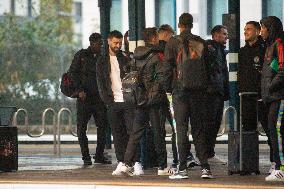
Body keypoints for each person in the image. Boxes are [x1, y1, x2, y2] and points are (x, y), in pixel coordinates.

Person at [161, 13, 213, 179]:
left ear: (179, 25)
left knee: (181, 129)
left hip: (180, 92)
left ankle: (182, 168)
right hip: (199, 92)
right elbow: (208, 67)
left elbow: (167, 68)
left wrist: (168, 88)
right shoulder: (200, 42)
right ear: (191, 24)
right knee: (199, 129)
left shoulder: (172, 42)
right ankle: (205, 168)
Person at [121, 27, 174, 176]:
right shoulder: (157, 56)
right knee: (158, 133)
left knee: (135, 133)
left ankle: (126, 164)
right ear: (154, 38)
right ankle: (162, 167)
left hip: (140, 100)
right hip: (155, 101)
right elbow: (162, 77)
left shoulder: (136, 55)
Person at [96, 30, 143, 176]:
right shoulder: (101, 61)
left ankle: (136, 163)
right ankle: (121, 162)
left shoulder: (125, 58)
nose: (118, 45)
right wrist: (108, 102)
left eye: (120, 43)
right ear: (109, 41)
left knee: (132, 133)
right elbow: (100, 84)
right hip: (113, 103)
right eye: (115, 43)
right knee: (117, 135)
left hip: (128, 101)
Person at [158, 24, 198, 168]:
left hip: (171, 93)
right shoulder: (192, 43)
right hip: (184, 91)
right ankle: (186, 158)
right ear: (164, 34)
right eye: (170, 34)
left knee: (176, 128)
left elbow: (166, 70)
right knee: (185, 128)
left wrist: (167, 88)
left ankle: (180, 161)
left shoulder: (168, 47)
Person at [238, 21, 275, 173]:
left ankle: (275, 163)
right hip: (246, 98)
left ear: (258, 31)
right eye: (245, 29)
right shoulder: (241, 51)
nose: (245, 32)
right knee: (248, 132)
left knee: (270, 130)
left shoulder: (266, 48)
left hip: (263, 98)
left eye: (249, 29)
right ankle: (249, 165)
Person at [69, 33, 111, 166]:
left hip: (99, 98)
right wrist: (79, 90)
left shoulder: (103, 58)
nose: (101, 46)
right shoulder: (81, 56)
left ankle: (99, 156)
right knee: (81, 128)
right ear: (92, 43)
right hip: (84, 98)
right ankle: (86, 156)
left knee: (102, 127)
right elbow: (72, 73)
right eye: (99, 43)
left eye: (102, 44)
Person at [259, 16, 284, 182]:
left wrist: (270, 86)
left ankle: (281, 168)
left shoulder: (279, 44)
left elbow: (282, 69)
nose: (261, 31)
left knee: (276, 129)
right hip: (272, 96)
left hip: (279, 95)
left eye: (263, 28)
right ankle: (278, 165)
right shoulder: (269, 46)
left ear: (270, 28)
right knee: (272, 130)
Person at [205, 25, 229, 165]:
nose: (226, 37)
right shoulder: (210, 48)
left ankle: (209, 153)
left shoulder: (220, 50)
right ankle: (207, 154)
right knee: (210, 123)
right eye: (224, 34)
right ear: (216, 35)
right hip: (211, 94)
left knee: (215, 124)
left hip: (217, 93)